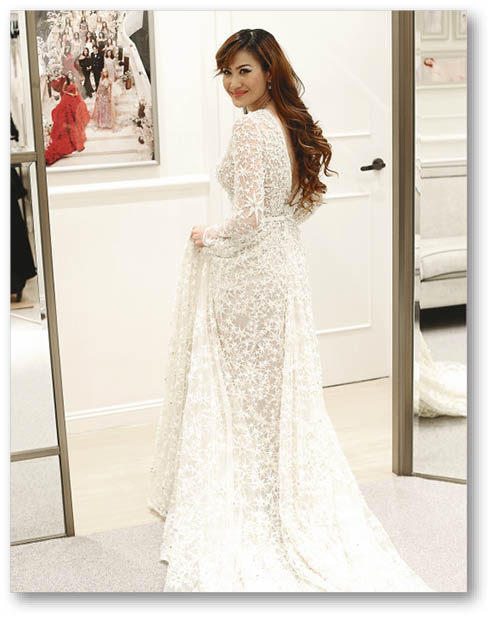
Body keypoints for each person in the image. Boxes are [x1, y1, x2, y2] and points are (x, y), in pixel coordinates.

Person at [148, 28, 434, 593]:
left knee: (244, 394)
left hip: (249, 275)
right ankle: (277, 497)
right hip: (282, 267)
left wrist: (208, 233)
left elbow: (250, 215)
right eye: (227, 72)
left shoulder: (252, 127)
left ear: (269, 71)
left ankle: (253, 502)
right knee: (274, 393)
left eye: (245, 71)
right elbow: (304, 201)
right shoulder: (286, 121)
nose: (233, 83)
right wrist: (277, 231)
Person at [44, 72, 90, 166]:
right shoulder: (66, 84)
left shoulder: (72, 84)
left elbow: (74, 92)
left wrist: (73, 95)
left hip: (73, 101)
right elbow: (65, 91)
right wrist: (70, 95)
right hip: (69, 100)